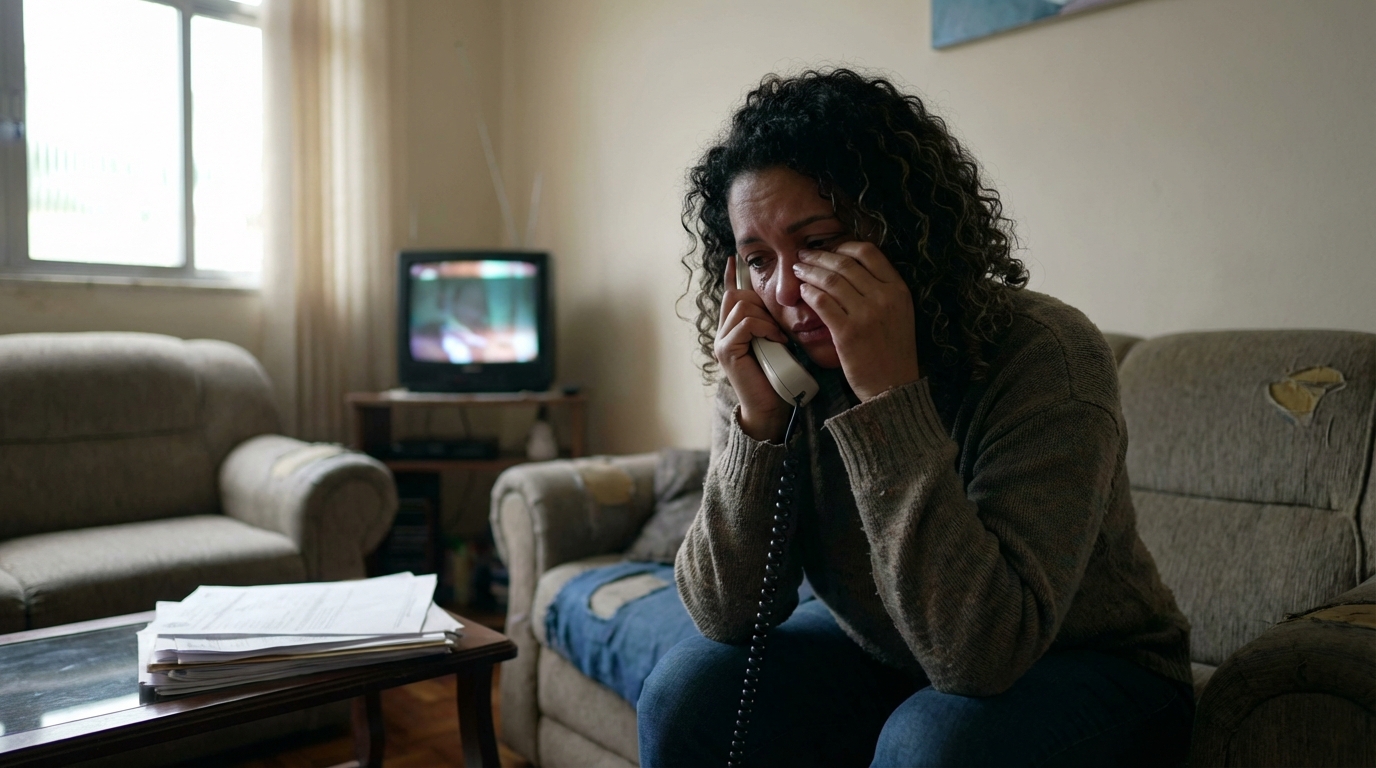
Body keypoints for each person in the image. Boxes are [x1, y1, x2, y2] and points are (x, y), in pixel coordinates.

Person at [637, 69, 1194, 767]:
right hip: (888, 646)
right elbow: (724, 613)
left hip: (1093, 664)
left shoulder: (1044, 354)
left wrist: (887, 400)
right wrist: (758, 423)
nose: (784, 291)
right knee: (685, 694)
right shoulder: (774, 359)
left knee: (934, 742)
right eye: (757, 260)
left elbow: (982, 654)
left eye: (818, 244)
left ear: (897, 230)